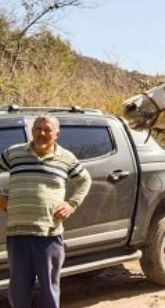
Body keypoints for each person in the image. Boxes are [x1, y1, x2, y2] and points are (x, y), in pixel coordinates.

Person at [0, 115, 92, 308]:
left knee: (49, 287)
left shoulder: (66, 158)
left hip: (48, 233)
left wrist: (72, 204)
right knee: (18, 288)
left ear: (56, 134)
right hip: (18, 232)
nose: (41, 133)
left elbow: (85, 180)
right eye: (37, 128)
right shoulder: (14, 153)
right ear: (32, 131)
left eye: (47, 129)